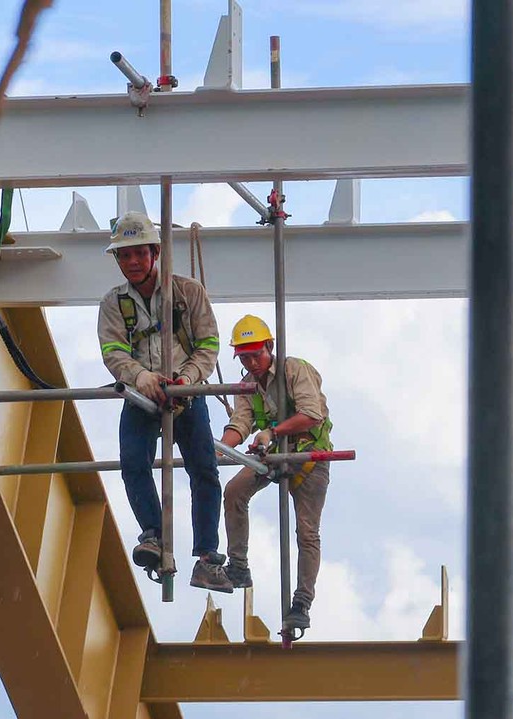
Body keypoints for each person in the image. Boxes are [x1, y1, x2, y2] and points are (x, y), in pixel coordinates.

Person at [97, 211, 231, 593]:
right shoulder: (113, 304)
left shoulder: (187, 293)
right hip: (141, 395)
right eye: (125, 256)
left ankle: (206, 555)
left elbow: (207, 345)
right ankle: (153, 535)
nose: (133, 262)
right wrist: (141, 377)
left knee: (203, 470)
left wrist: (187, 380)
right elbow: (113, 351)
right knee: (133, 463)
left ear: (155, 252)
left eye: (139, 253)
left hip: (187, 394)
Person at [218, 314, 333, 631]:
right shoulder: (248, 385)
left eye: (257, 353)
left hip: (310, 456)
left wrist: (270, 431)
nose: (252, 361)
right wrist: (219, 447)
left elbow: (311, 413)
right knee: (234, 492)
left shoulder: (294, 369)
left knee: (307, 532)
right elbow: (240, 423)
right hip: (273, 455)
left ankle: (302, 603)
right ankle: (238, 565)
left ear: (270, 347)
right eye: (245, 356)